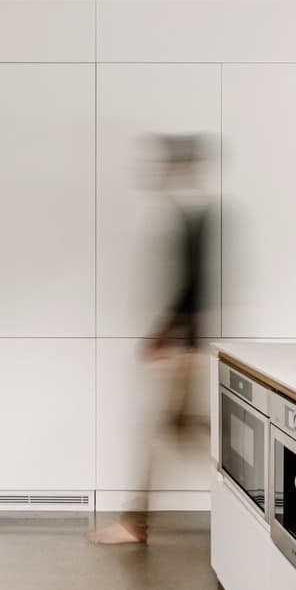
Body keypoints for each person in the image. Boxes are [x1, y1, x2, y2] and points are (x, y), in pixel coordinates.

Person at [88, 133, 211, 545]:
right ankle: (276, 494)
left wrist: (164, 335)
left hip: (187, 346)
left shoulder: (194, 214)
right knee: (185, 431)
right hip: (191, 343)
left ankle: (134, 523)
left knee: (162, 432)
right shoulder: (189, 211)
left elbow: (195, 284)